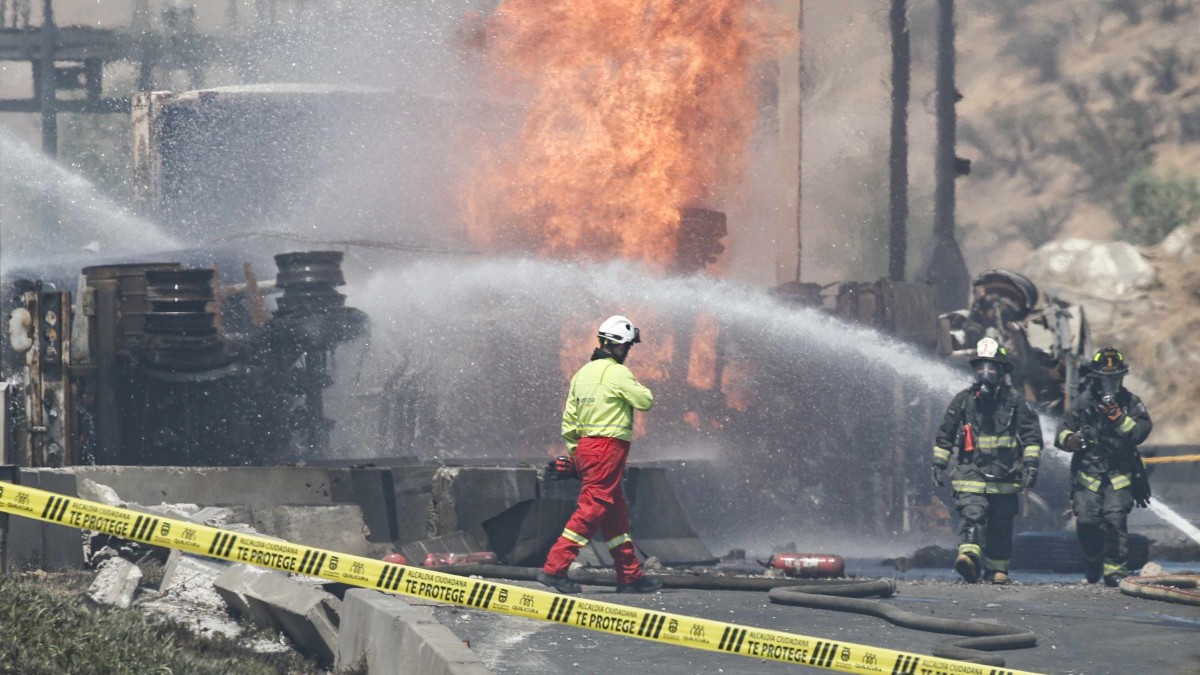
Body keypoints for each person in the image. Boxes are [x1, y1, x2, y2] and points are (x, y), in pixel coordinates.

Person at [538, 315, 663, 594]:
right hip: (608, 450)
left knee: (615, 514)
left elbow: (569, 422)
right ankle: (555, 568)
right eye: (628, 348)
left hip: (584, 449)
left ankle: (629, 576)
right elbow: (645, 400)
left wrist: (577, 456)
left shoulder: (581, 374)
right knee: (592, 509)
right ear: (620, 346)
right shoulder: (617, 373)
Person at [932, 337, 1043, 585]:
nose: (985, 374)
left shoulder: (1015, 402)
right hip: (971, 473)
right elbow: (945, 434)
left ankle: (997, 570)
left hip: (1005, 476)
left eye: (991, 368)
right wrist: (939, 464)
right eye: (980, 368)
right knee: (973, 514)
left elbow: (1032, 436)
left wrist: (1031, 465)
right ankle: (969, 558)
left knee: (1000, 525)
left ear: (1002, 371)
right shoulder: (964, 400)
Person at [1055, 346, 1153, 587]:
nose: (1110, 384)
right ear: (1096, 378)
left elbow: (1140, 432)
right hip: (1088, 475)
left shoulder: (1131, 403)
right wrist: (1071, 439)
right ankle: (1093, 559)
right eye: (1105, 379)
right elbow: (1060, 434)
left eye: (1115, 378)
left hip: (1119, 476)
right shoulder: (1083, 404)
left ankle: (1114, 571)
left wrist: (1118, 417)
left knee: (1115, 521)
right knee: (1087, 521)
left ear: (1121, 378)